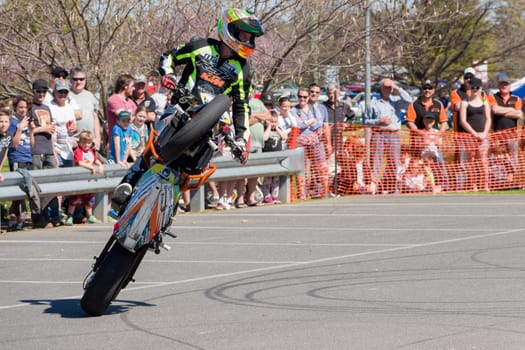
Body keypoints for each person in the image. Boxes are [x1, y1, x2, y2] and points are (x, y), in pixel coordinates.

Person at [110, 8, 265, 212]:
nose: (247, 40)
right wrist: (168, 74)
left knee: (196, 165)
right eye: (244, 34)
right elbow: (169, 57)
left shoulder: (242, 68)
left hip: (210, 124)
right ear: (229, 29)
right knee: (155, 146)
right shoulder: (201, 45)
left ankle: (170, 209)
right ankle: (128, 185)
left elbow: (241, 105)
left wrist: (241, 139)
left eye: (250, 37)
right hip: (180, 107)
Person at [363, 78, 412, 193]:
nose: (388, 89)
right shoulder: (373, 103)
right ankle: (373, 186)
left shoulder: (396, 101)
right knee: (376, 161)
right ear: (381, 88)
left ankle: (392, 186)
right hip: (378, 134)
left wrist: (396, 87)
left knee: (394, 161)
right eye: (386, 87)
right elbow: (365, 121)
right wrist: (378, 121)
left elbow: (409, 101)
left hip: (393, 134)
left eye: (390, 87)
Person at [405, 80, 449, 190]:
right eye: (425, 88)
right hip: (419, 142)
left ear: (433, 90)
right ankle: (418, 185)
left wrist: (439, 134)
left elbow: (443, 121)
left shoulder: (438, 104)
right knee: (419, 165)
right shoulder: (414, 104)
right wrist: (421, 134)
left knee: (438, 164)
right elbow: (410, 121)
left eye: (430, 88)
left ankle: (442, 185)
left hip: (434, 141)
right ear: (422, 89)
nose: (427, 90)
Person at [29, 79, 58, 228]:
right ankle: (37, 217)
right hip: (36, 150)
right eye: (38, 91)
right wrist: (43, 129)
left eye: (44, 92)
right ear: (33, 91)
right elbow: (29, 130)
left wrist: (53, 152)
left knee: (50, 183)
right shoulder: (29, 107)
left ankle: (46, 214)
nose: (41, 94)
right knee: (36, 185)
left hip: (48, 149)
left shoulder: (47, 107)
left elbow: (51, 130)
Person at [292, 87, 327, 199]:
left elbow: (319, 123)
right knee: (302, 168)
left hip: (315, 142)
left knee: (320, 166)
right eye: (300, 96)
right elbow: (297, 125)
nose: (302, 99)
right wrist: (311, 121)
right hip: (300, 143)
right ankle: (302, 192)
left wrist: (307, 123)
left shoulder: (314, 108)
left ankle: (324, 190)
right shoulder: (294, 110)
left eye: (304, 97)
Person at [458, 77, 491, 192]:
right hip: (470, 136)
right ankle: (473, 185)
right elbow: (463, 121)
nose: (475, 90)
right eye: (473, 87)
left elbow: (488, 119)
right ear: (469, 88)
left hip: (483, 135)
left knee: (483, 160)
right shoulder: (465, 102)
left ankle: (485, 185)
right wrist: (474, 133)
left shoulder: (485, 102)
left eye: (477, 87)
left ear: (481, 88)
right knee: (471, 161)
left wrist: (485, 133)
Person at [65, 130, 104, 226]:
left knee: (89, 199)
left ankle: (89, 216)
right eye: (84, 142)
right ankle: (70, 216)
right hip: (79, 180)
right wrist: (90, 167)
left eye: (88, 143)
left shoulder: (91, 152)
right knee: (74, 199)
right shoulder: (78, 151)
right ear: (80, 142)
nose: (86, 145)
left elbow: (95, 159)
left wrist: (100, 165)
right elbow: (80, 162)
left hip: (88, 180)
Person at [486, 73, 522, 173]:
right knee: (498, 157)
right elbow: (495, 110)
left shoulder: (516, 99)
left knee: (513, 157)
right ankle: (500, 179)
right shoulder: (493, 97)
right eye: (502, 84)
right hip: (497, 134)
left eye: (506, 84)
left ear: (509, 86)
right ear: (499, 85)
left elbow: (519, 114)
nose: (504, 86)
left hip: (512, 134)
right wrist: (511, 110)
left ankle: (513, 179)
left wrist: (502, 111)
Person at [323, 85, 355, 193]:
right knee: (327, 167)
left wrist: (346, 125)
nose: (332, 96)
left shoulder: (344, 106)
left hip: (338, 142)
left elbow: (352, 116)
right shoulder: (323, 106)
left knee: (338, 167)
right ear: (327, 94)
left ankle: (337, 189)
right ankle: (325, 189)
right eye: (330, 93)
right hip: (325, 142)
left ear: (339, 94)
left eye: (334, 93)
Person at [7, 96, 32, 231]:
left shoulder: (28, 121)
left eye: (25, 107)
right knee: (18, 191)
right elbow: (14, 144)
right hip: (17, 158)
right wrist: (20, 128)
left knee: (25, 191)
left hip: (28, 158)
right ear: (15, 108)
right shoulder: (12, 122)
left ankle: (19, 218)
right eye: (20, 107)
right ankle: (15, 219)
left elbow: (32, 143)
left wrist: (32, 130)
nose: (23, 110)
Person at [69, 66, 102, 152]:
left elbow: (95, 118)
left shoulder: (90, 96)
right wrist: (69, 139)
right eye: (75, 79)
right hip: (74, 142)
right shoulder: (65, 95)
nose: (78, 82)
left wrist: (98, 139)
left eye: (81, 79)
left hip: (90, 142)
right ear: (70, 80)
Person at [261, 110, 287, 204]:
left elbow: (284, 137)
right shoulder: (264, 130)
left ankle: (275, 195)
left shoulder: (278, 129)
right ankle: (266, 195)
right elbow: (264, 138)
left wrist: (277, 128)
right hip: (268, 157)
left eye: (275, 121)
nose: (273, 124)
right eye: (271, 121)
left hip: (277, 157)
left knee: (276, 178)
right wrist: (268, 127)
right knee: (268, 178)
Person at [106, 74, 136, 142]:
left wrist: (135, 117)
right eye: (132, 86)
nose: (134, 89)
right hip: (118, 142)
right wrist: (134, 117)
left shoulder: (131, 102)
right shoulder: (113, 100)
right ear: (125, 86)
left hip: (130, 142)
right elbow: (125, 118)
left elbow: (141, 115)